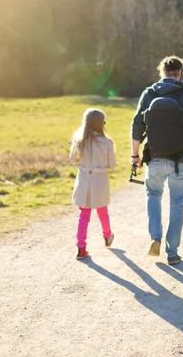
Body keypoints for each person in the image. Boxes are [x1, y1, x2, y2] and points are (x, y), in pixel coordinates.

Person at [131, 55, 183, 265]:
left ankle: (155, 237)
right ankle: (172, 252)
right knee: (177, 203)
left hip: (154, 157)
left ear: (162, 73)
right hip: (181, 160)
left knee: (153, 195)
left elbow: (137, 125)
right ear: (180, 73)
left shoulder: (149, 93)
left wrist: (135, 155)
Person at [70, 108, 116, 260]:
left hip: (84, 180)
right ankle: (108, 236)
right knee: (103, 211)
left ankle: (81, 247)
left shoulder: (79, 140)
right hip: (100, 180)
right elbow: (112, 164)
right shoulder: (107, 142)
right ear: (101, 124)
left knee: (84, 215)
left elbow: (73, 160)